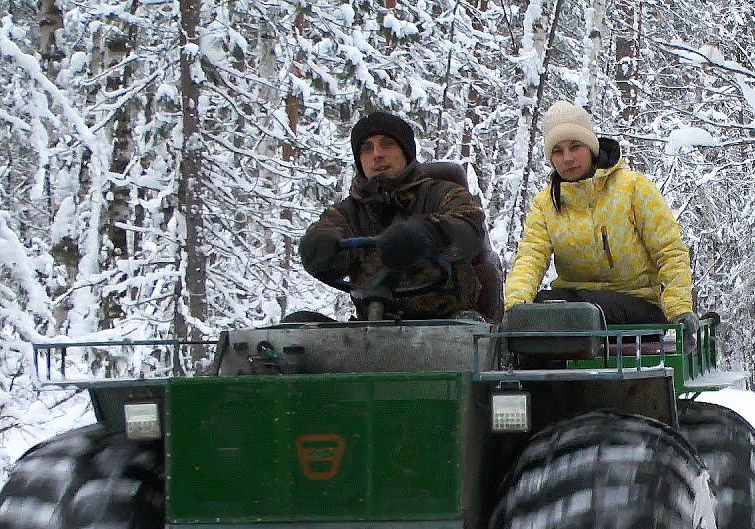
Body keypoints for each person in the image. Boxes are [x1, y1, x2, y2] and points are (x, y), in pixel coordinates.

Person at [503, 101, 700, 350]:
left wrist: (679, 309)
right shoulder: (546, 204)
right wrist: (516, 307)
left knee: (579, 314)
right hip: (574, 308)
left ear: (591, 147)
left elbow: (669, 251)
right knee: (542, 307)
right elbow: (530, 257)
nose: (567, 158)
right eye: (557, 151)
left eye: (575, 146)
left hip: (636, 307)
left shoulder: (633, 188)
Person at [296, 111, 495, 321]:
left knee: (464, 333)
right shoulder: (349, 213)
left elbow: (468, 225)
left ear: (405, 152)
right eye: (367, 148)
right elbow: (326, 229)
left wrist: (428, 234)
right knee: (297, 327)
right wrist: (319, 248)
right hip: (372, 329)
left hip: (447, 326)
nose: (377, 154)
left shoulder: (443, 193)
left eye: (387, 144)